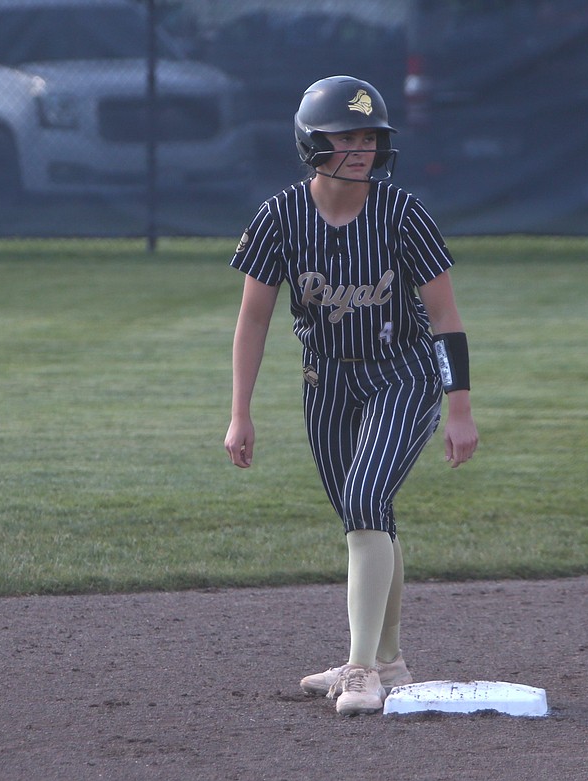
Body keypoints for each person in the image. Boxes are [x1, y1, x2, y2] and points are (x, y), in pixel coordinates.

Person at [224, 75, 478, 716]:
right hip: (326, 383)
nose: (362, 148)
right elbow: (253, 318)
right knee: (366, 513)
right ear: (312, 142)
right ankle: (388, 659)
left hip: (403, 374)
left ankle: (362, 670)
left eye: (370, 136)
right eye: (347, 136)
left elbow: (445, 317)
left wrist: (460, 408)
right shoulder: (281, 215)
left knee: (366, 498)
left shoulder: (402, 212)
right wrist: (240, 412)